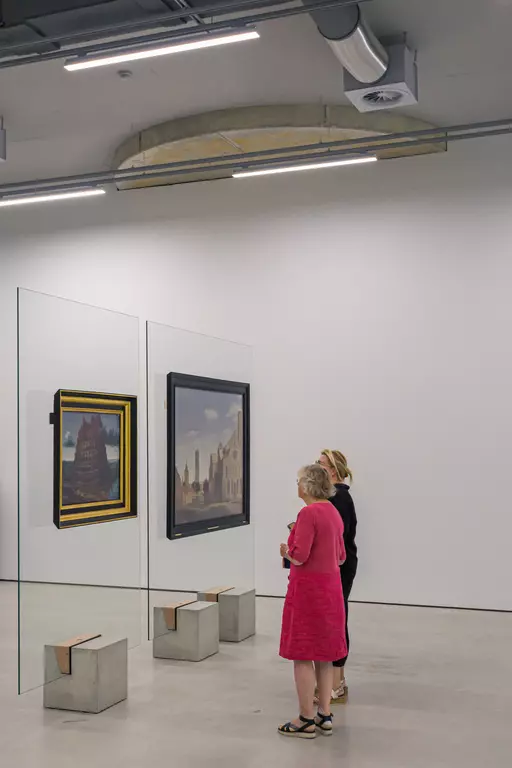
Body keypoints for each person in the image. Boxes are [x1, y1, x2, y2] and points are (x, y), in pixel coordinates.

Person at [278, 464, 347, 739]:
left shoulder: (308, 513)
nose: (296, 486)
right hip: (331, 592)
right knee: (325, 654)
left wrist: (286, 550)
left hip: (308, 593)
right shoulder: (333, 512)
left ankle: (306, 717)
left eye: (298, 481)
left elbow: (300, 556)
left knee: (302, 653)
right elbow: (340, 556)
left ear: (307, 486)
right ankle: (324, 714)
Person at [318, 449, 357, 703]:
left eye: (320, 464)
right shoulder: (338, 496)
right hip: (340, 564)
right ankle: (338, 682)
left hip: (339, 567)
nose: (316, 467)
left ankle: (336, 683)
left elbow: (336, 537)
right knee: (338, 618)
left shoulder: (339, 498)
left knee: (336, 620)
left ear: (332, 470)